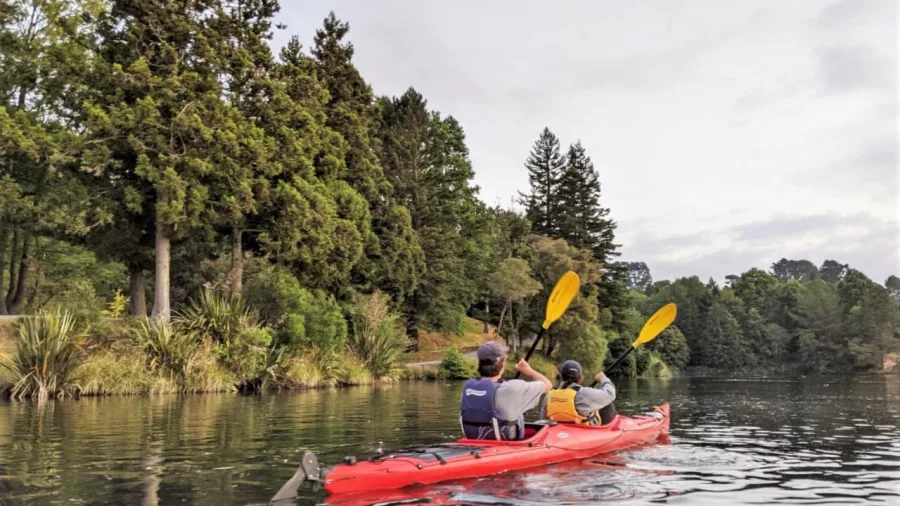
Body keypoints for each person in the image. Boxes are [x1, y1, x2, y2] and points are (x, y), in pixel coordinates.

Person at [459, 341, 552, 440]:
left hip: (473, 443)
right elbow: (548, 385)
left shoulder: (468, 387)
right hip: (504, 445)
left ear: (480, 364)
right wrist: (528, 371)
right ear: (502, 364)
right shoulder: (511, 389)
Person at [540, 360, 617, 426]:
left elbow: (543, 419)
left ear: (561, 376)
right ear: (581, 378)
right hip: (583, 431)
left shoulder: (549, 395)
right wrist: (603, 379)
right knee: (608, 404)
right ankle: (606, 432)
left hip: (558, 431)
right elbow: (610, 394)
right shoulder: (584, 393)